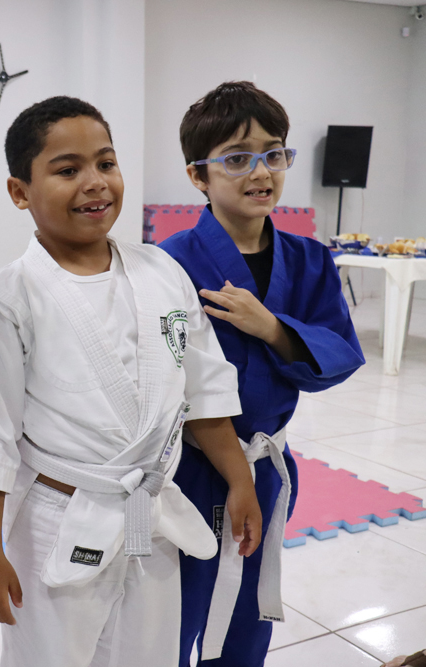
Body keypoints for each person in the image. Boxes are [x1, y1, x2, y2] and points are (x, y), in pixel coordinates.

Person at [0, 95, 262, 667]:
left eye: (106, 163)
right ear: (20, 192)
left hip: (150, 511)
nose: (95, 182)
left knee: (149, 653)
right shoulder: (9, 297)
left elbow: (203, 390)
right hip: (57, 516)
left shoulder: (162, 271)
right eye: (68, 170)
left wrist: (240, 478)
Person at [160, 81, 365, 666]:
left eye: (274, 154)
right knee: (175, 612)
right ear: (198, 175)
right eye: (237, 158)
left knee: (248, 609)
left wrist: (271, 327)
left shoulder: (311, 259)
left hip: (266, 462)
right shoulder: (171, 261)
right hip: (189, 469)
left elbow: (340, 354)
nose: (261, 172)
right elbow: (164, 380)